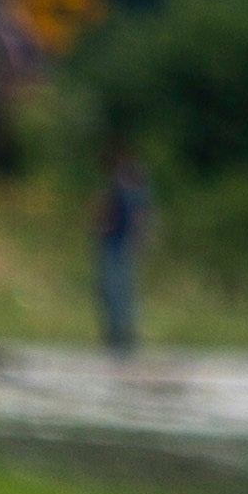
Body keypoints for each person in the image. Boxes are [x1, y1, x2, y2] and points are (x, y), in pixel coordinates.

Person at [99, 142, 157, 359]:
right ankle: (120, 334)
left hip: (120, 243)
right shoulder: (125, 181)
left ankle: (123, 335)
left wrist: (140, 237)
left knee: (119, 289)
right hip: (116, 241)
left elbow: (139, 213)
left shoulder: (129, 181)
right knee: (116, 289)